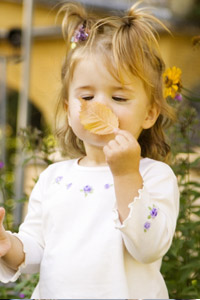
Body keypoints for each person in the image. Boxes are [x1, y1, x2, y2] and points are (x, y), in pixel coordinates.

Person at [0, 2, 179, 299]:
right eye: (86, 95)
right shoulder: (54, 177)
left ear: (149, 113)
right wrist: (8, 246)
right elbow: (36, 248)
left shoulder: (154, 176)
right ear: (70, 108)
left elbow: (149, 248)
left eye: (119, 97)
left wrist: (126, 175)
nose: (100, 106)